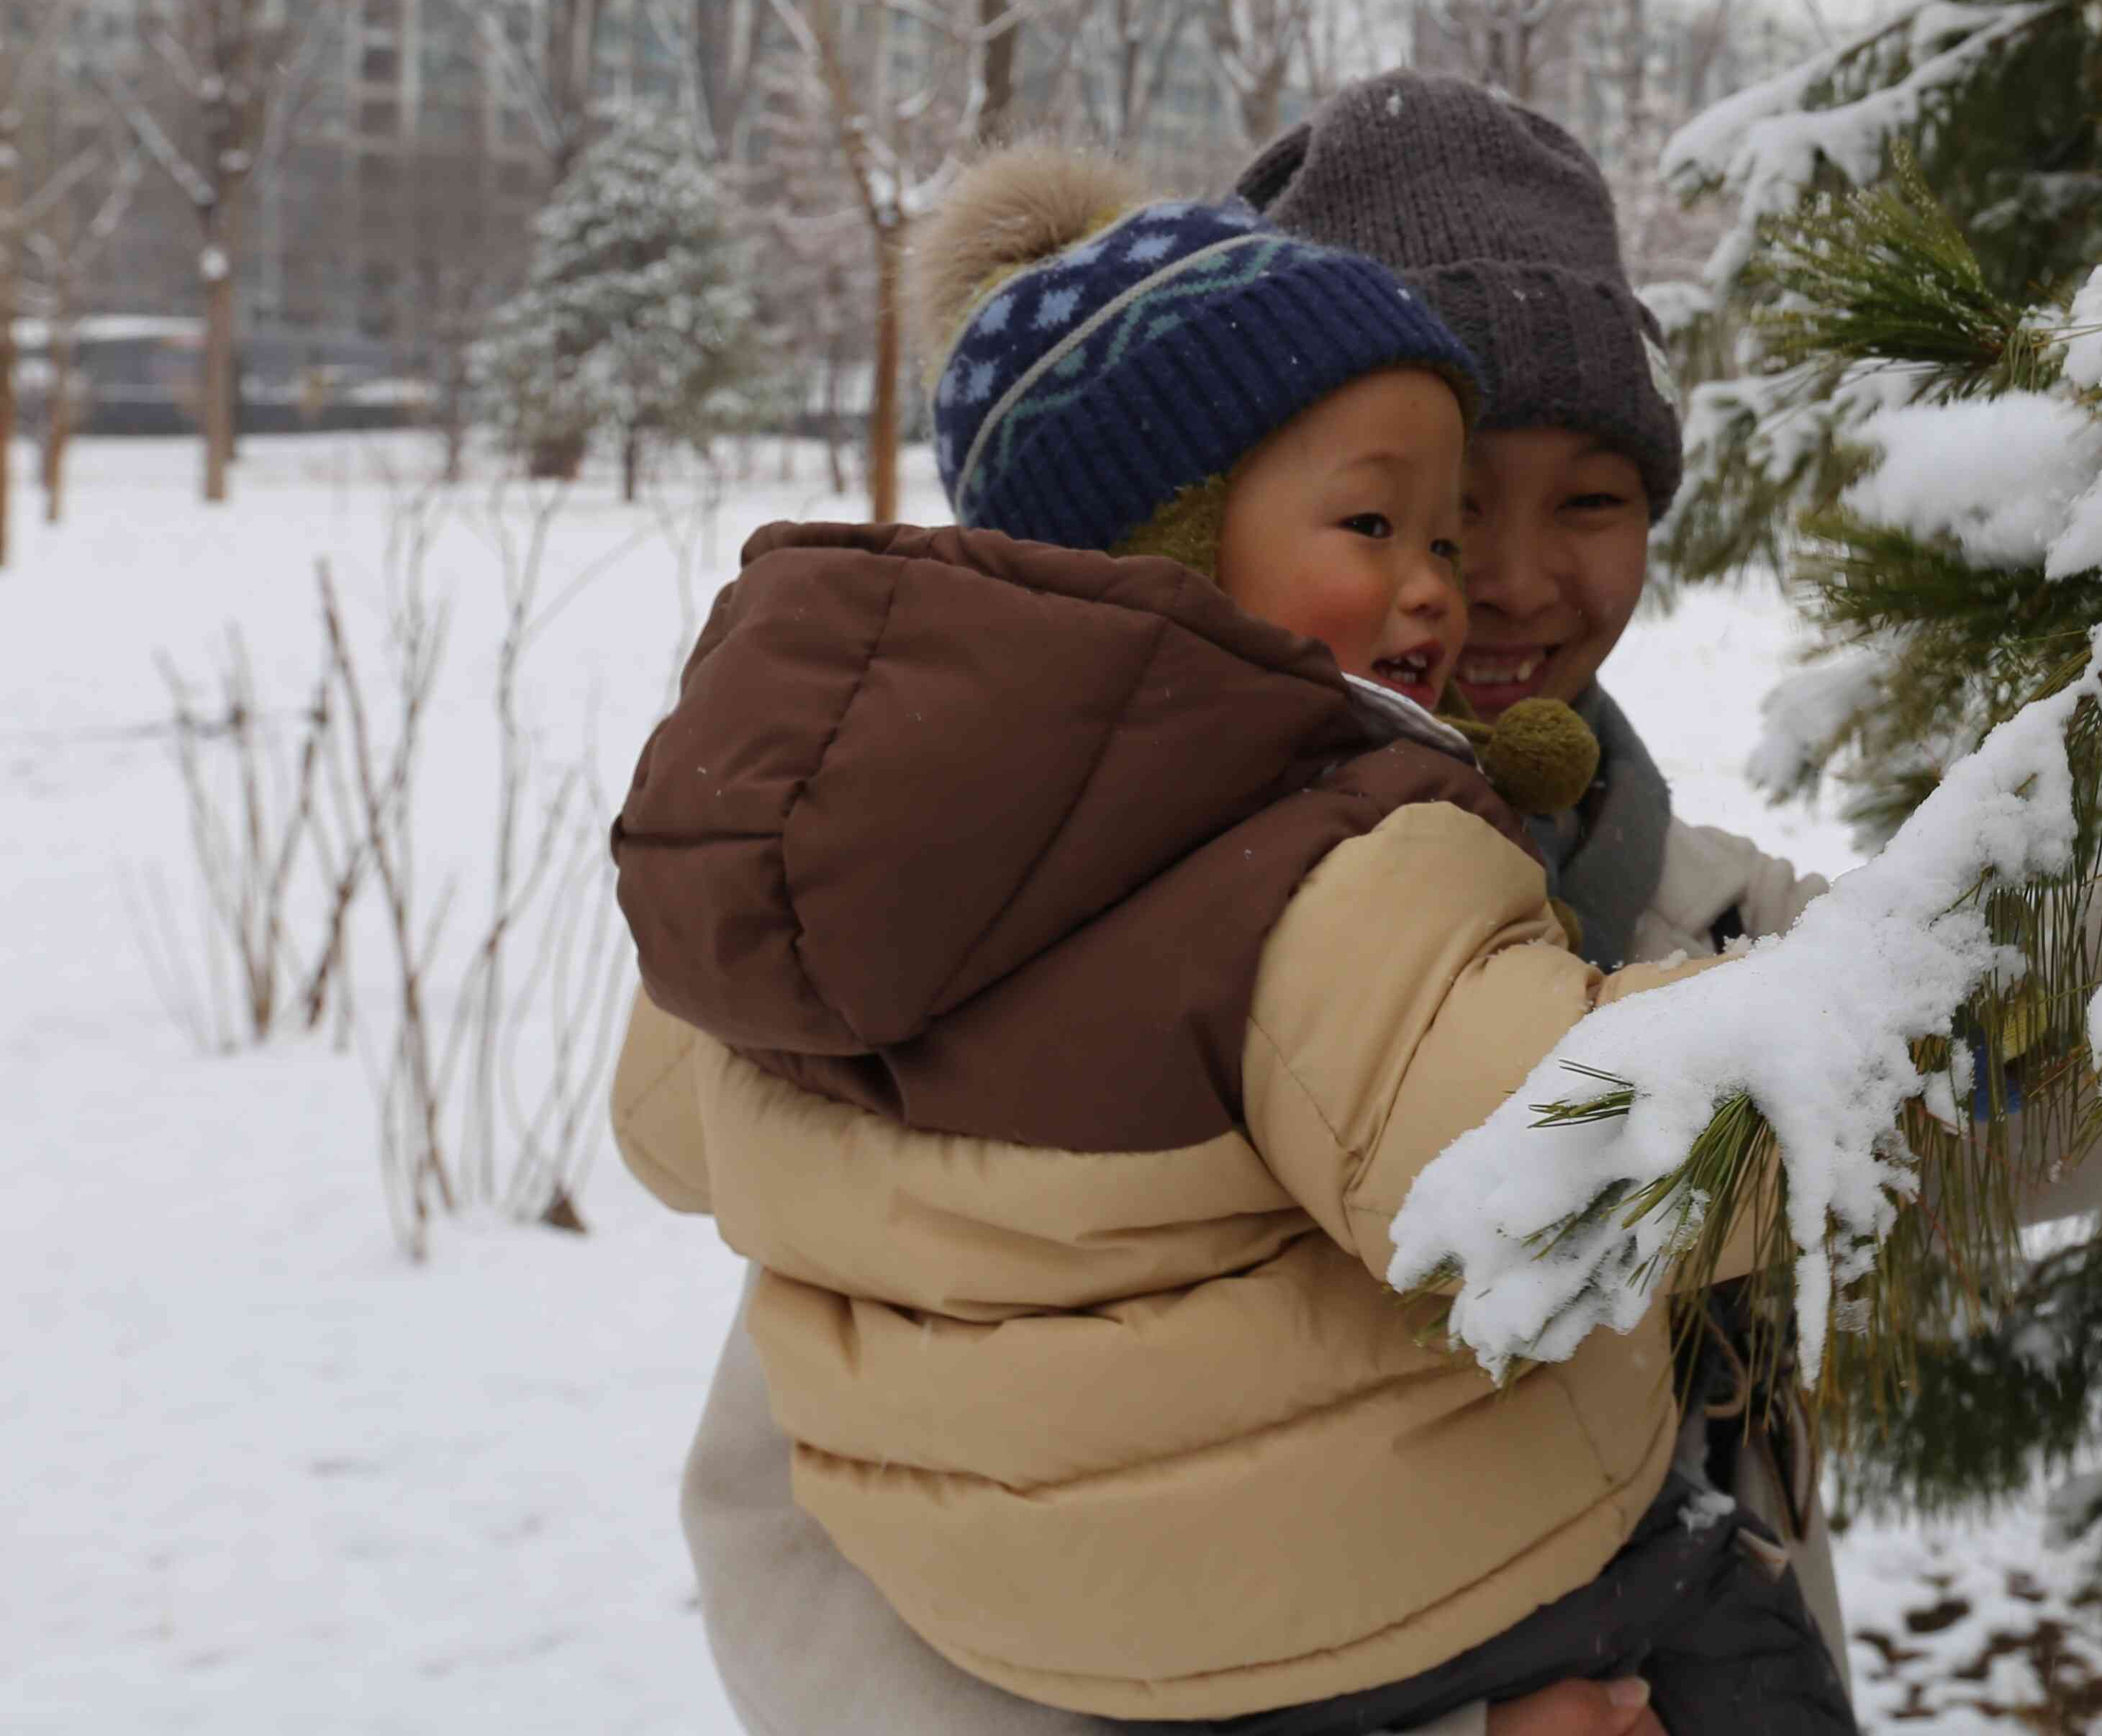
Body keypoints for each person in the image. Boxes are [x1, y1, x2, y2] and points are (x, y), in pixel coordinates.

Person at [611, 143, 1841, 1735]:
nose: (1479, 587)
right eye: (1397, 517)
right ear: (1177, 541)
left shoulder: (864, 887)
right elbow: (1569, 1162)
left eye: (1579, 503)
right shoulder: (1338, 863)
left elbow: (668, 1129)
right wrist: (1886, 1054)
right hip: (1472, 1611)